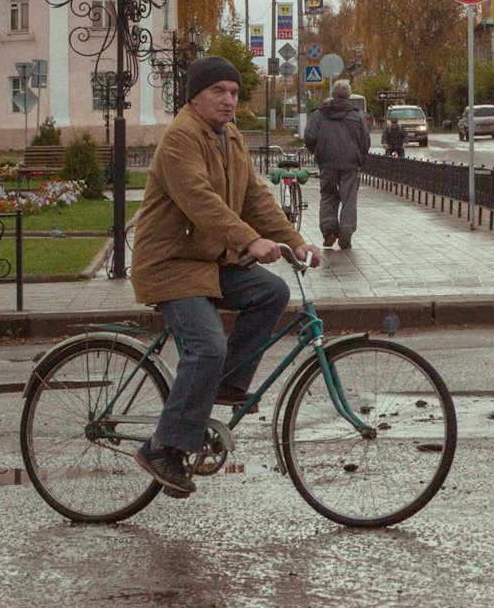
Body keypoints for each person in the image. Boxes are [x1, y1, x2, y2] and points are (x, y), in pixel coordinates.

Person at [129, 56, 317, 498]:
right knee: (207, 346)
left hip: (208, 262)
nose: (229, 100)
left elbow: (254, 196)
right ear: (196, 96)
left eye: (234, 92)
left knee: (271, 291)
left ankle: (227, 382)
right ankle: (163, 448)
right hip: (172, 264)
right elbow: (201, 201)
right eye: (219, 91)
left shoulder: (228, 135)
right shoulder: (180, 138)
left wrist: (295, 240)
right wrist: (250, 241)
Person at [305, 79, 370, 250]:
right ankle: (346, 235)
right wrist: (360, 157)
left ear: (332, 94)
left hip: (327, 163)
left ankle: (328, 231)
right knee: (349, 199)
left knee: (328, 196)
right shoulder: (357, 115)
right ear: (348, 95)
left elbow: (310, 137)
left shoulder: (319, 114)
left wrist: (315, 151)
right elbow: (365, 142)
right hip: (351, 164)